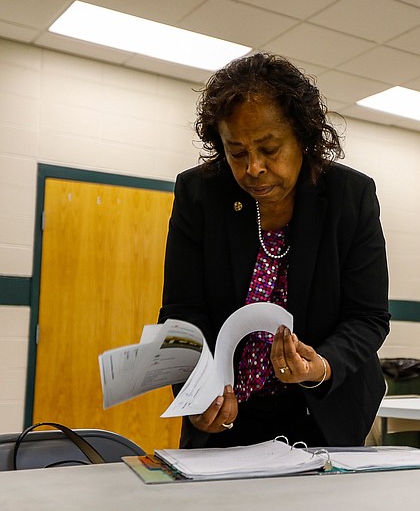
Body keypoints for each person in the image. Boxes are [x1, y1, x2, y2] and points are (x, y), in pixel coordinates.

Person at [159, 52, 390, 449]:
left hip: (325, 413)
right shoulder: (200, 195)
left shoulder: (350, 197)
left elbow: (367, 316)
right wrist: (195, 393)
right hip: (228, 415)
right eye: (237, 152)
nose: (253, 168)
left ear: (303, 137)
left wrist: (320, 365)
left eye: (269, 149)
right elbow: (182, 313)